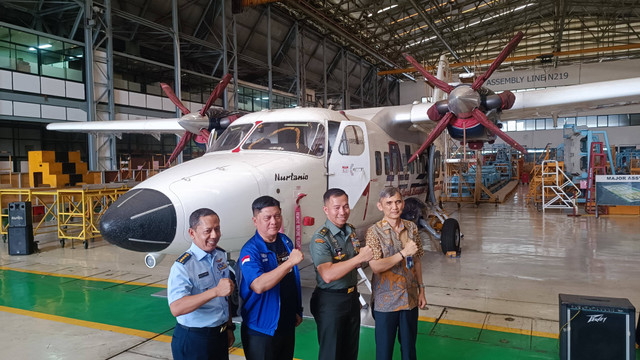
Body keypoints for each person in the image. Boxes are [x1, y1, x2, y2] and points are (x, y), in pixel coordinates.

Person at [309, 188, 374, 360]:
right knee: (332, 353)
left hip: (351, 299)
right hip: (330, 301)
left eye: (345, 206)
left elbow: (352, 261)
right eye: (336, 207)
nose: (342, 212)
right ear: (326, 210)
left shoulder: (350, 230)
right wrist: (359, 258)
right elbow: (328, 274)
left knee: (350, 352)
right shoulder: (320, 238)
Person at [238, 195, 304, 360]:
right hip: (261, 329)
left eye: (277, 216)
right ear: (255, 220)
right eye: (267, 217)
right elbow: (258, 285)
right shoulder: (250, 251)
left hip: (286, 323)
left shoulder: (285, 241)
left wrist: (296, 309)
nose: (274, 221)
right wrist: (288, 263)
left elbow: (291, 280)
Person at [366, 187, 427, 360]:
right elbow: (376, 266)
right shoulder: (373, 232)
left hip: (410, 299)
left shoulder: (412, 228)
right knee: (384, 353)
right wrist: (402, 253)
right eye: (389, 203)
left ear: (403, 203)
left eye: (398, 202)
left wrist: (421, 289)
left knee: (409, 351)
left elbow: (416, 260)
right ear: (380, 206)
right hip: (386, 303)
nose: (394, 207)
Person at [167, 208, 235, 360]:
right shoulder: (183, 266)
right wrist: (215, 291)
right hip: (194, 340)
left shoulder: (220, 255)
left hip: (219, 335)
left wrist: (229, 327)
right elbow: (176, 307)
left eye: (217, 229)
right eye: (208, 231)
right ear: (192, 233)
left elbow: (225, 298)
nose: (214, 235)